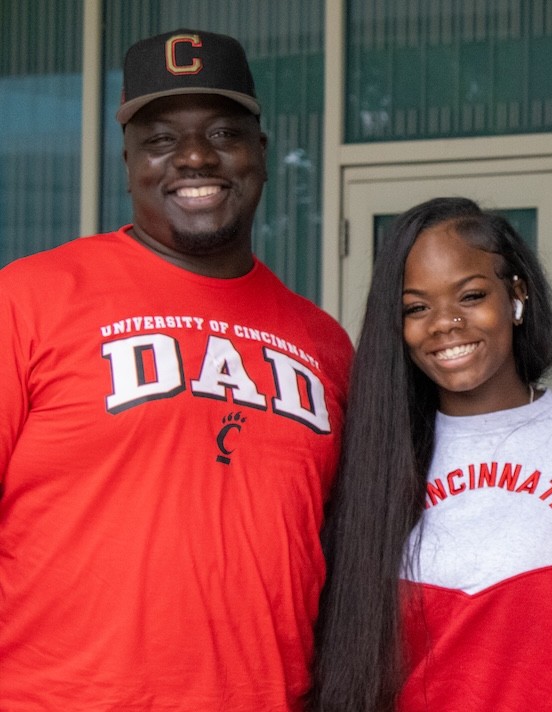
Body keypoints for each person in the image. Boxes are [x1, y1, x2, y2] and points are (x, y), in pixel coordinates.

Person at [0, 29, 352, 710]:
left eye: (224, 133)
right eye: (161, 139)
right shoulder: (28, 299)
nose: (194, 157)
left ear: (263, 155)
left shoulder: (326, 345)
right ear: (129, 161)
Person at [308, 197, 552, 712]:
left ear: (516, 293)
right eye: (417, 307)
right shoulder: (372, 460)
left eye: (471, 295)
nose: (444, 324)